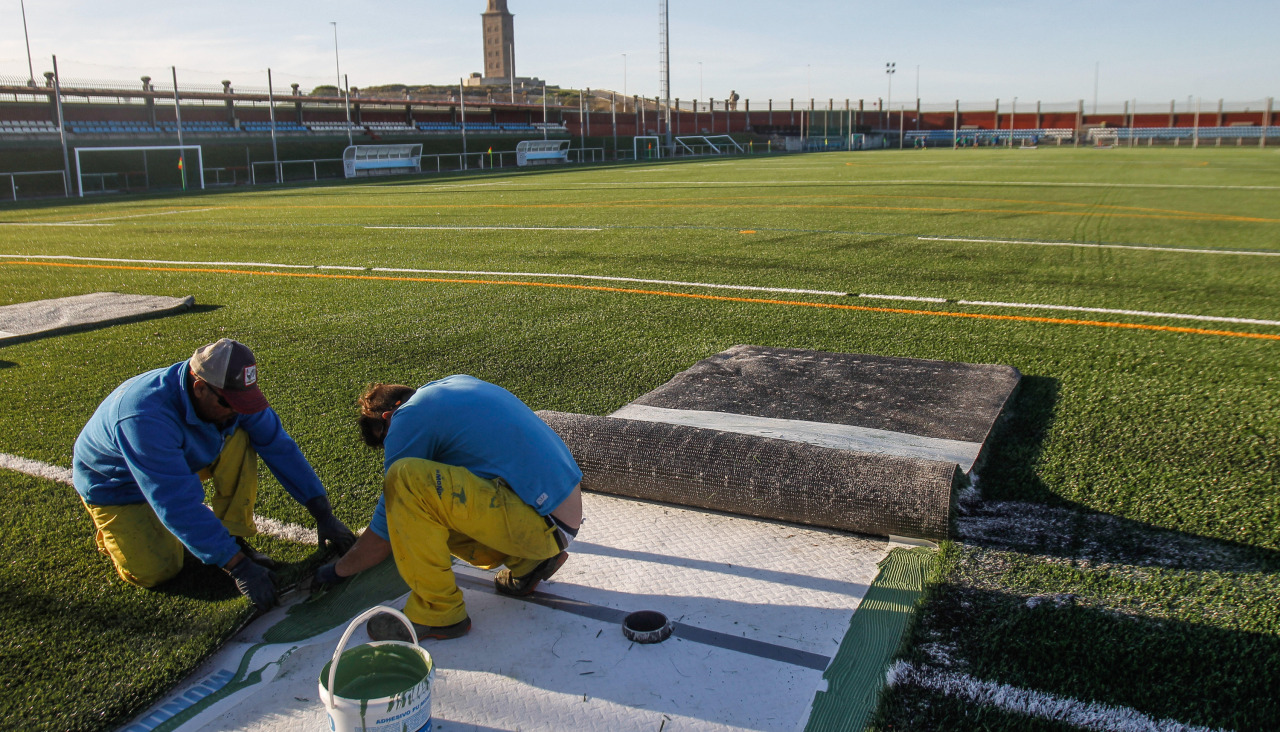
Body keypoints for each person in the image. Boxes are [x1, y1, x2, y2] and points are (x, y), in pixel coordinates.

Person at [72, 339, 356, 612]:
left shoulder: (229, 396)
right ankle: (114, 537)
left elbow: (278, 445)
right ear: (199, 388)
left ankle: (233, 536)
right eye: (229, 403)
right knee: (158, 572)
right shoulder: (144, 418)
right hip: (119, 486)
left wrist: (322, 512)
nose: (237, 411)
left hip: (178, 461)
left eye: (244, 402)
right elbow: (175, 501)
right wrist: (238, 567)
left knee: (244, 434)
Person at [313, 375, 583, 642]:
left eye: (386, 440)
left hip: (541, 524)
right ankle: (530, 564)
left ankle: (437, 611)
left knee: (404, 480)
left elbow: (384, 535)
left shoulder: (408, 417)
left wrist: (336, 571)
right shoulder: (452, 386)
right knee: (439, 488)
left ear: (387, 418)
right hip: (555, 518)